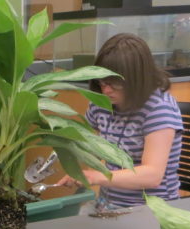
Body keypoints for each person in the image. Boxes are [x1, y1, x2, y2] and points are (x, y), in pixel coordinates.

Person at [57, 33, 183, 210]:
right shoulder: (102, 102)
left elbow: (152, 175)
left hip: (151, 210)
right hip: (109, 205)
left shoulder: (159, 109)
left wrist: (95, 177)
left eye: (114, 83)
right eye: (102, 82)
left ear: (136, 79)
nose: (106, 90)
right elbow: (90, 145)